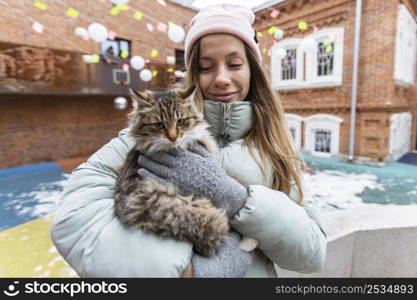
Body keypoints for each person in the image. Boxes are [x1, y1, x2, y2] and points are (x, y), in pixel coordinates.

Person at [51, 4, 326, 278]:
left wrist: (238, 199)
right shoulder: (145, 136)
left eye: (234, 64)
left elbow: (312, 254)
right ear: (193, 73)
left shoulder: (277, 142)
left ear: (252, 69)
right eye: (206, 67)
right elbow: (73, 219)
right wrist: (190, 273)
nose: (221, 78)